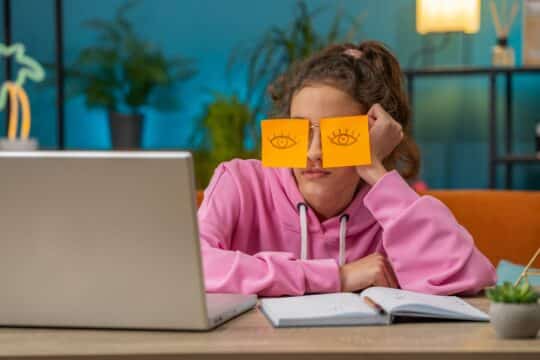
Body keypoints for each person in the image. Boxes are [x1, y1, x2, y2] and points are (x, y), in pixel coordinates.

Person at [197, 41, 496, 296]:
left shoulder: (389, 207)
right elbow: (192, 265)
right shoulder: (240, 182)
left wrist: (374, 170)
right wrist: (337, 277)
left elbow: (471, 277)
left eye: (338, 136)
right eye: (301, 131)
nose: (313, 153)